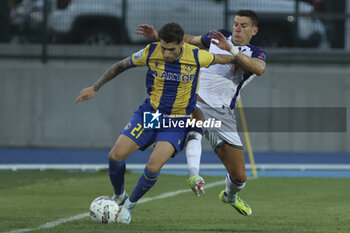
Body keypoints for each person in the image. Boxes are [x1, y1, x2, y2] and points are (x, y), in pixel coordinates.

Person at [75, 22, 237, 224]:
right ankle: (119, 196)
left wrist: (239, 58)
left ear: (181, 44)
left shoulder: (197, 55)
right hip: (151, 113)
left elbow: (228, 59)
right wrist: (95, 87)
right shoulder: (151, 52)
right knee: (115, 157)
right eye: (163, 48)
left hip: (176, 120)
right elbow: (120, 66)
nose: (166, 53)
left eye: (171, 49)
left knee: (153, 167)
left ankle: (130, 205)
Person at [136, 10, 267, 216]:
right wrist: (158, 38)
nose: (237, 28)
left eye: (243, 25)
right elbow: (188, 40)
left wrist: (231, 50)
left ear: (254, 30)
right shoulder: (217, 37)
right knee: (161, 126)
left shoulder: (254, 52)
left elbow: (259, 69)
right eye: (235, 24)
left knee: (239, 176)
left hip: (222, 114)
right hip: (192, 101)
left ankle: (230, 196)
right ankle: (190, 175)